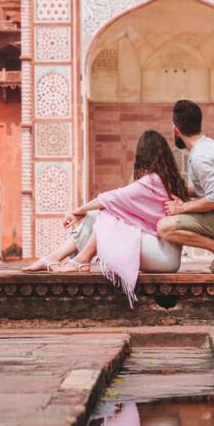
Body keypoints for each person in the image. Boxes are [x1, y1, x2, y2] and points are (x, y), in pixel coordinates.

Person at [22, 129, 186, 304]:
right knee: (102, 213)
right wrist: (81, 212)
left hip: (163, 257)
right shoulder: (169, 180)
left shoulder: (152, 181)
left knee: (107, 213)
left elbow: (110, 198)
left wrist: (76, 212)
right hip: (165, 256)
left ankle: (79, 260)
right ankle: (55, 258)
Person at [157, 99, 214, 273]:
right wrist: (181, 191)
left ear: (175, 130)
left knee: (165, 227)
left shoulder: (200, 157)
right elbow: (212, 190)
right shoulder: (212, 147)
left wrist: (182, 208)